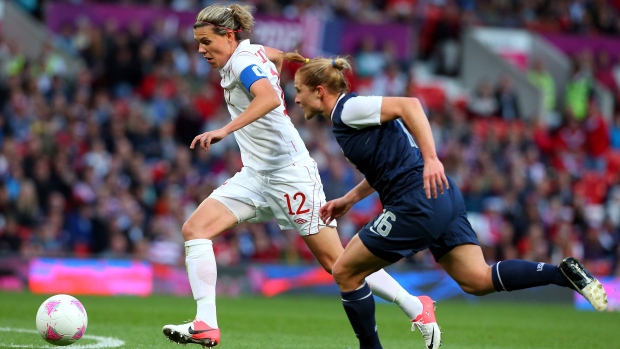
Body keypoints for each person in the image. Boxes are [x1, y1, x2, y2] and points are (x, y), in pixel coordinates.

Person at [283, 53, 609, 349]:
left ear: (320, 91)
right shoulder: (350, 118)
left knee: (344, 272)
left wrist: (431, 158)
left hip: (416, 201)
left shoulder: (348, 109)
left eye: (299, 89)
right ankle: (561, 274)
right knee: (477, 279)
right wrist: (350, 199)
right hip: (441, 195)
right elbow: (387, 165)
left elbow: (410, 104)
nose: (295, 97)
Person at [162, 4, 438, 348]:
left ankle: (416, 305)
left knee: (336, 263)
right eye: (198, 43)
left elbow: (265, 97)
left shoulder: (244, 63)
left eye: (206, 42)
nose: (201, 49)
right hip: (256, 175)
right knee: (195, 229)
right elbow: (274, 55)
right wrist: (286, 59)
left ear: (229, 36)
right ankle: (206, 323)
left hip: (289, 175)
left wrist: (225, 130)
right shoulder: (251, 53)